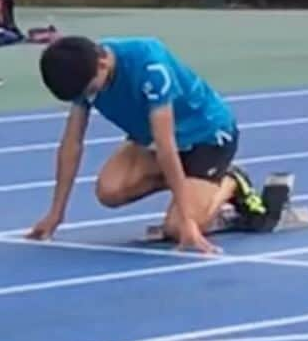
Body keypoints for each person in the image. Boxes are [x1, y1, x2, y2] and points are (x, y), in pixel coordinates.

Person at [27, 34, 290, 254]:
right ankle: (194, 188)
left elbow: (167, 145)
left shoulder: (150, 67)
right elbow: (72, 144)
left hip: (206, 138)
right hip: (151, 141)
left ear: (103, 63)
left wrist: (187, 221)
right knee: (109, 190)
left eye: (91, 90)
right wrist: (55, 214)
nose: (89, 97)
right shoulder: (84, 72)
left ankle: (231, 180)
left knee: (176, 229)